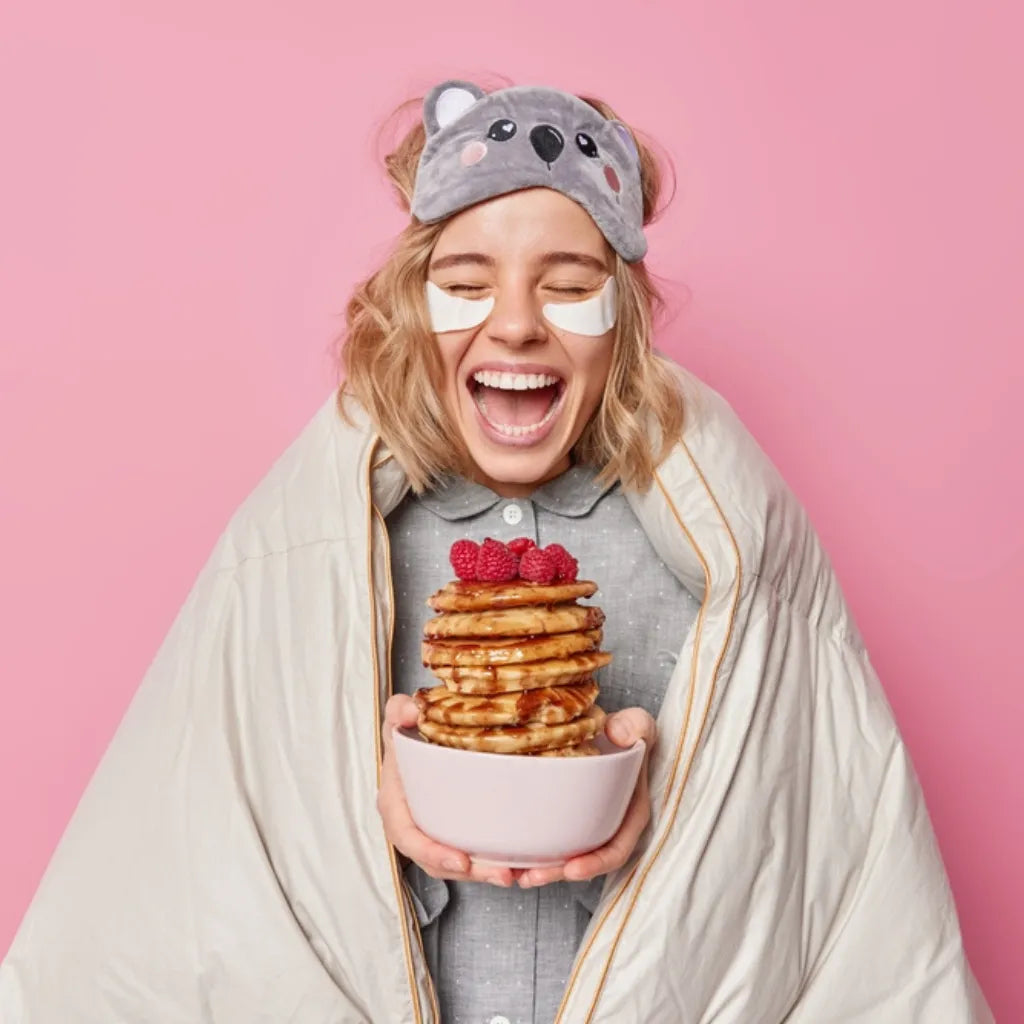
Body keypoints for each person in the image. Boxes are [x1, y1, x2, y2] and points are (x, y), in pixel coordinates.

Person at [0, 79, 992, 1023]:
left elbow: (792, 827)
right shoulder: (335, 543)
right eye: (465, 283)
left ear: (625, 320)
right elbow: (225, 817)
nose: (514, 321)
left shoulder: (710, 548)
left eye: (569, 286)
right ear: (409, 304)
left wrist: (682, 804)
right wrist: (357, 796)